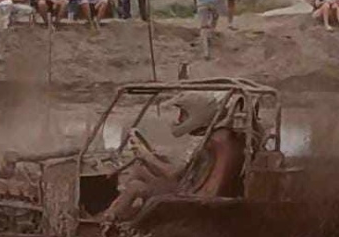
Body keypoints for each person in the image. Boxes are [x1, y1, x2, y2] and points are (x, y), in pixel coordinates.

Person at [103, 92, 245, 221]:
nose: (179, 119)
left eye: (183, 114)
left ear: (196, 115)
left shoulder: (213, 142)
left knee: (136, 186)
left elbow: (174, 174)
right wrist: (156, 157)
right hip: (197, 194)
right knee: (140, 170)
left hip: (194, 201)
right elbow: (187, 171)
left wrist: (146, 156)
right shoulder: (221, 139)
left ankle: (108, 223)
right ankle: (129, 217)